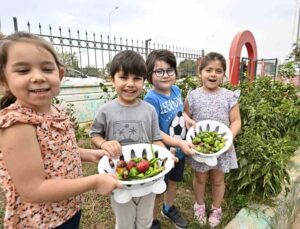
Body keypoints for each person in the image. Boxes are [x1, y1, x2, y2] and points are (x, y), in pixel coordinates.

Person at [0, 32, 122, 229]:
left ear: (61, 74)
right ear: (4, 80)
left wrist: (90, 155)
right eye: (23, 70)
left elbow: (57, 151)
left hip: (67, 209)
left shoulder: (57, 111)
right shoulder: (17, 124)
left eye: (47, 68)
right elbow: (33, 190)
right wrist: (94, 182)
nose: (38, 77)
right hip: (41, 221)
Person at [90, 50, 165, 229]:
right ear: (112, 79)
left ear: (144, 81)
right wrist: (103, 143)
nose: (130, 84)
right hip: (118, 176)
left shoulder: (149, 110)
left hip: (147, 176)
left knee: (145, 219)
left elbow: (156, 139)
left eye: (137, 78)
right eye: (124, 77)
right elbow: (95, 134)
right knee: (124, 221)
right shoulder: (105, 110)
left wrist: (164, 154)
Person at [184, 52, 241, 227]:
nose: (213, 74)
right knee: (200, 178)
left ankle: (216, 208)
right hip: (200, 146)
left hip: (222, 147)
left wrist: (228, 138)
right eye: (208, 70)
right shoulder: (193, 95)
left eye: (218, 71)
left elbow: (236, 121)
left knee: (218, 180)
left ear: (223, 75)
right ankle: (199, 205)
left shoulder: (229, 96)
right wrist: (187, 123)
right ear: (200, 73)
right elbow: (185, 115)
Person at [144, 49, 195, 229]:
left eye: (169, 70)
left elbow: (179, 112)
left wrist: (187, 120)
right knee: (158, 189)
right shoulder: (151, 99)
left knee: (174, 181)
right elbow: (155, 130)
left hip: (180, 151)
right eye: (159, 71)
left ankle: (169, 207)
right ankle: (152, 219)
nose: (165, 75)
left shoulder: (176, 90)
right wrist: (178, 142)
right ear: (149, 74)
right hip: (163, 154)